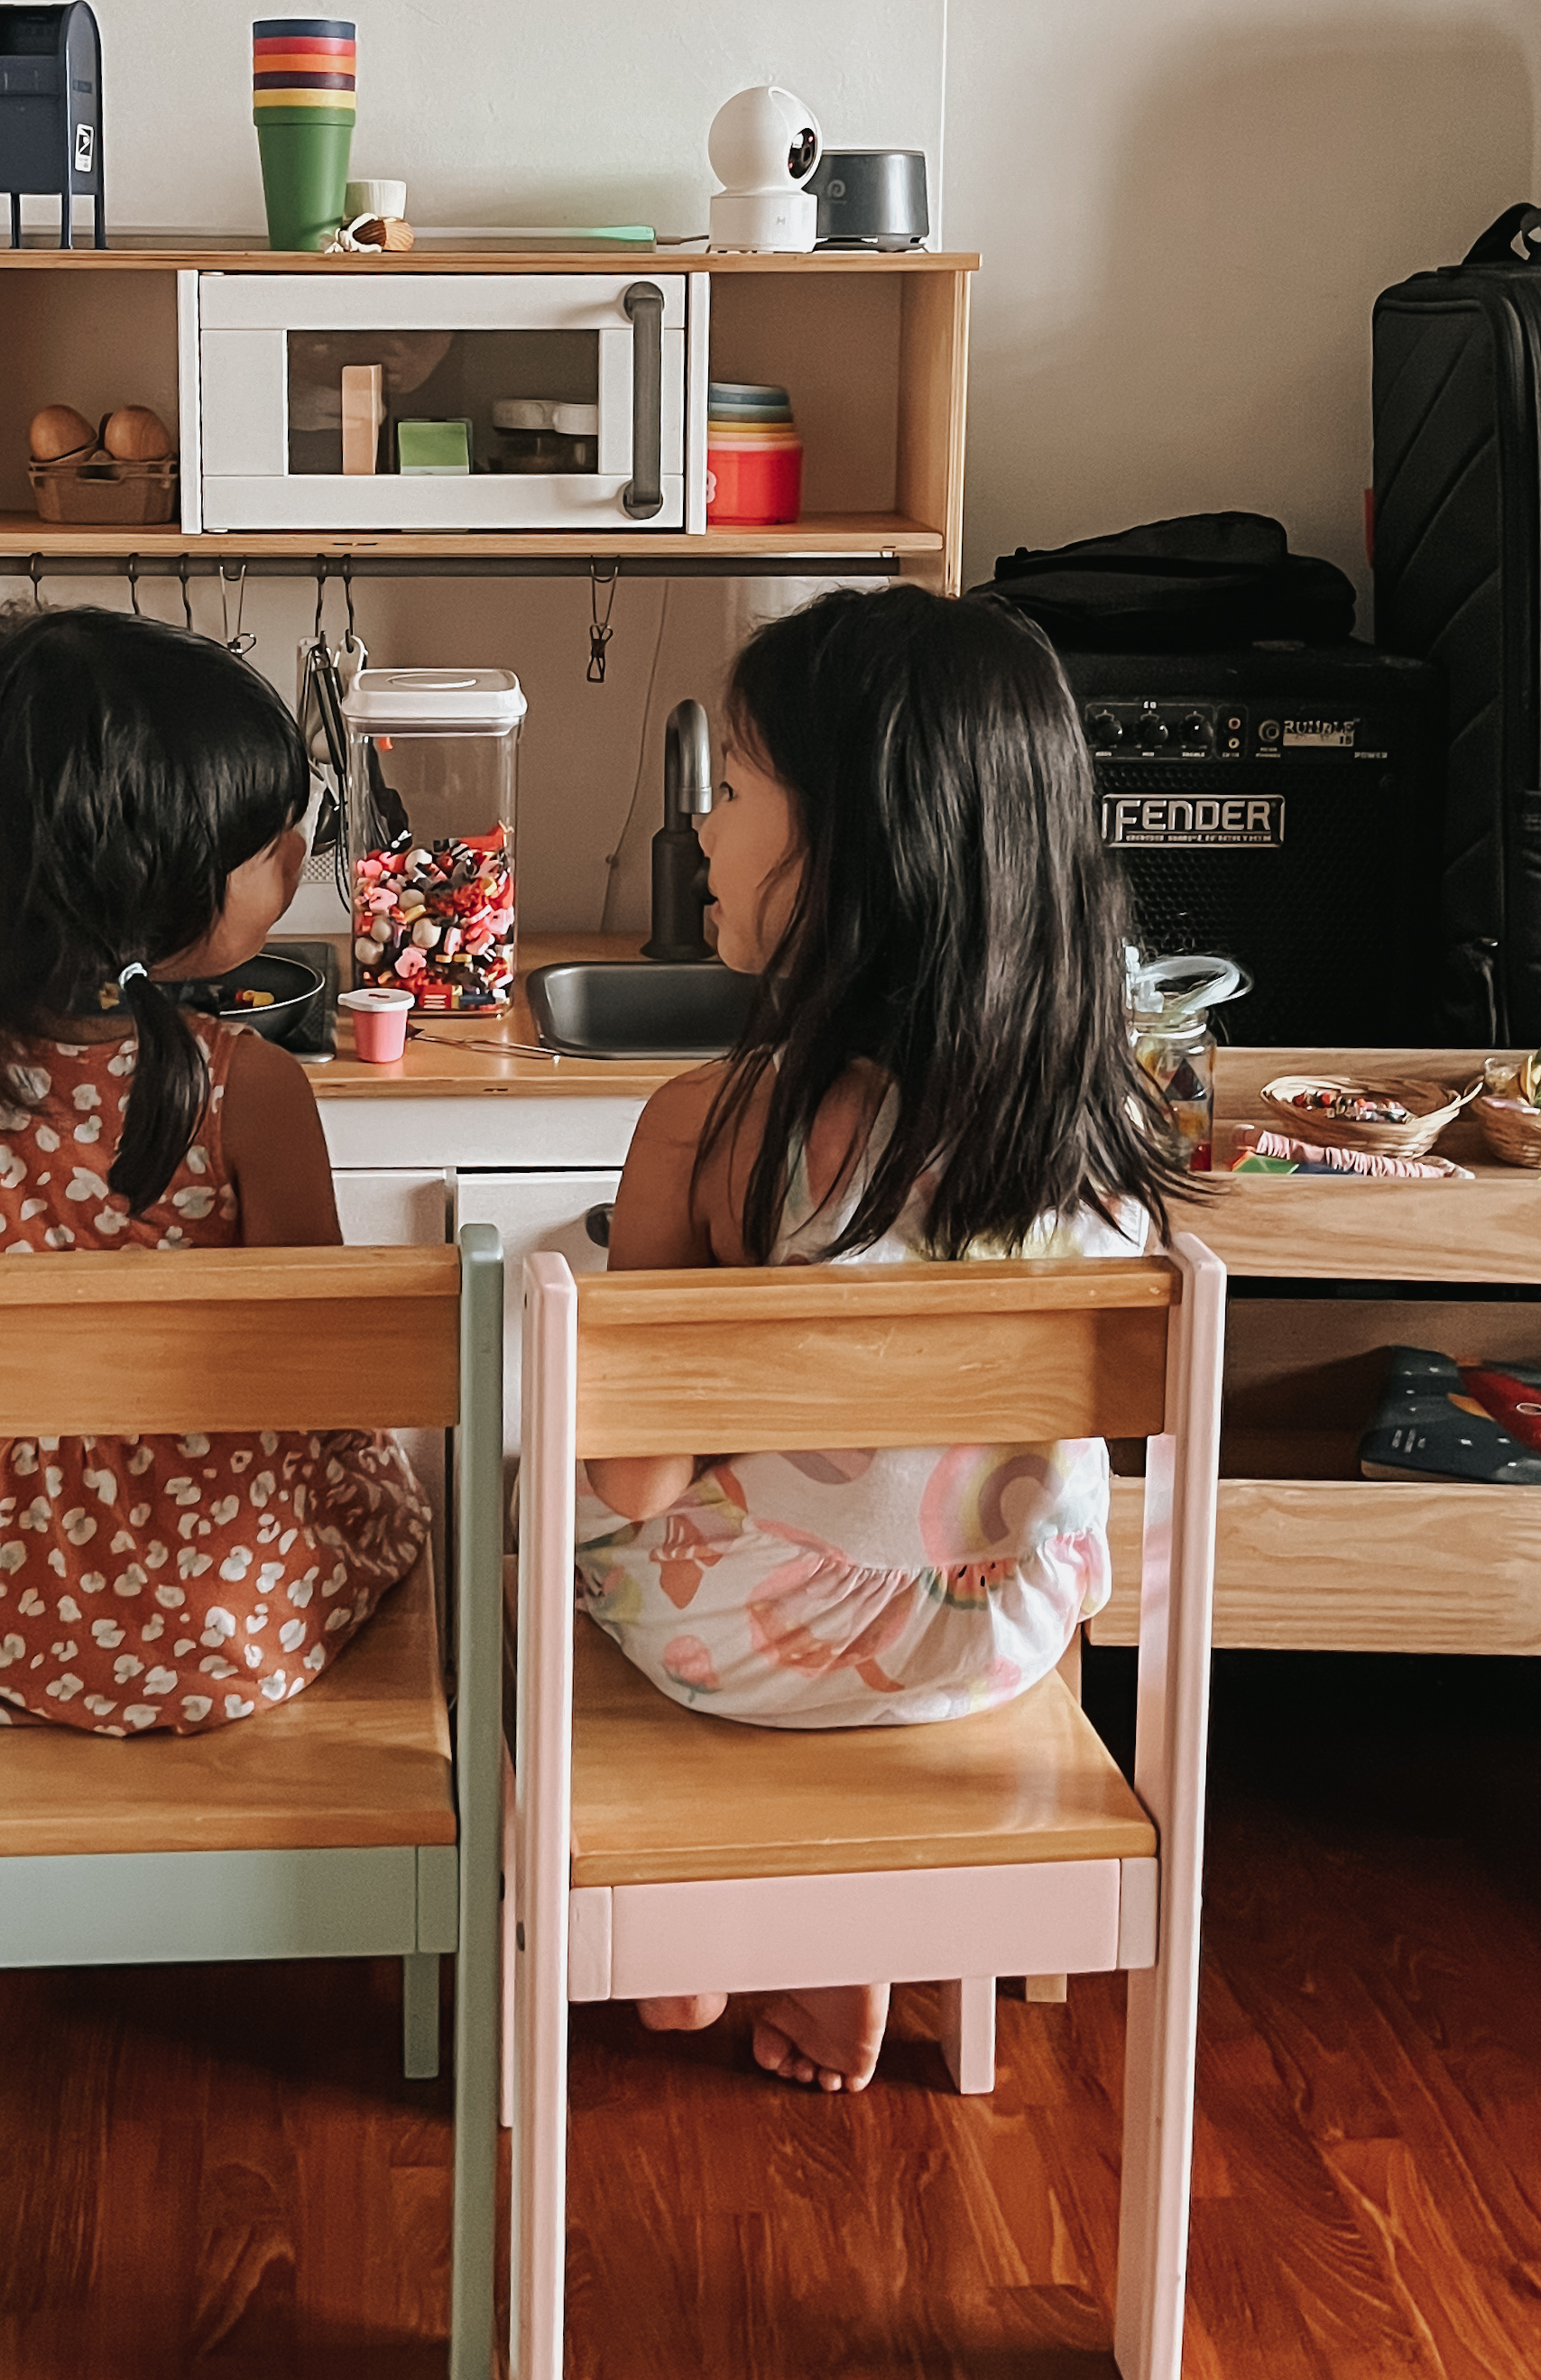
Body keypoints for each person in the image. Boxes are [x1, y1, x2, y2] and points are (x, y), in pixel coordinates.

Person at [574, 588, 1191, 2090]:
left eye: (725, 790)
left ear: (848, 851)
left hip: (745, 1650)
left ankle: (692, 1923)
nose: (702, 830)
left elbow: (640, 1477)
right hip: (995, 1634)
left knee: (545, 1523)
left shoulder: (710, 1128)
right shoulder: (1102, 1135)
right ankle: (836, 1937)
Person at [0, 605, 429, 1736]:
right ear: (158, 880)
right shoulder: (250, 1091)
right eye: (267, 847)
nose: (294, 862)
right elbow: (323, 1377)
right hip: (224, 1628)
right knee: (400, 1492)